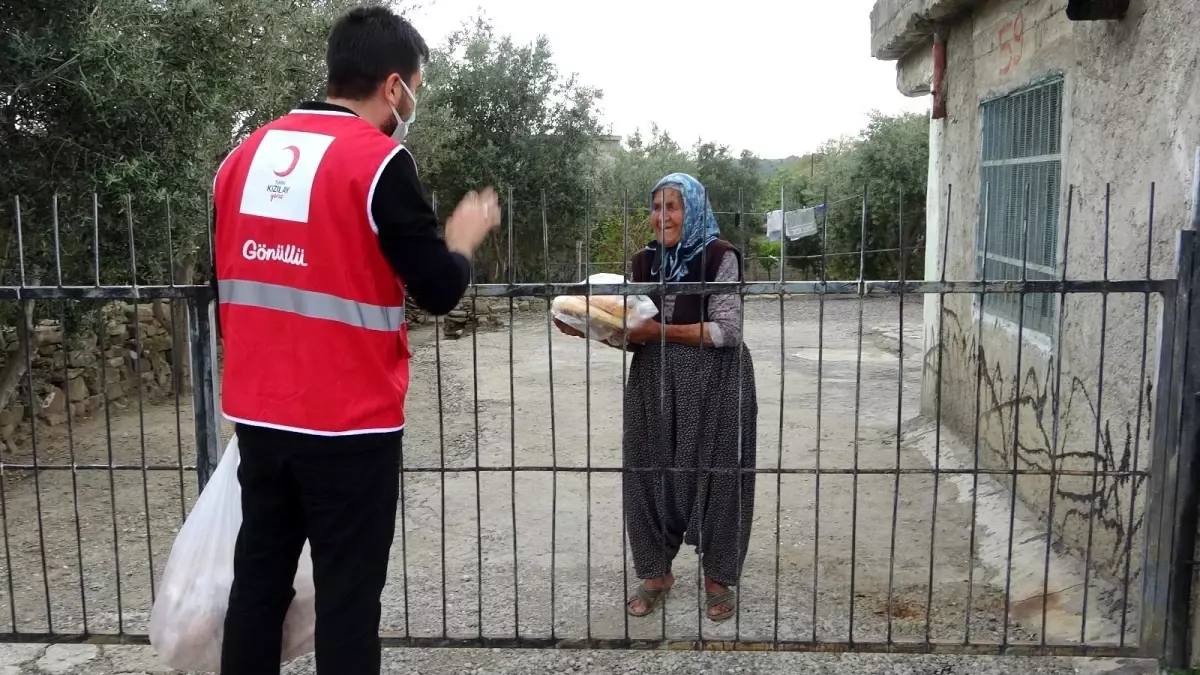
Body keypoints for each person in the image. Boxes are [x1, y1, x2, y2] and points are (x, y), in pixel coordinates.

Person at [212, 6, 499, 674]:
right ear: (394, 86)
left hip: (259, 415)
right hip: (349, 424)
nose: (414, 102)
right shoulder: (378, 161)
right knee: (346, 600)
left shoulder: (241, 158)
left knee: (258, 582)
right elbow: (437, 288)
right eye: (417, 87)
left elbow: (231, 276)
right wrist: (459, 240)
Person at [556, 172, 758, 622]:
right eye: (656, 207)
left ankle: (718, 577)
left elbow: (728, 330)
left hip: (717, 381)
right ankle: (655, 573)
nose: (662, 216)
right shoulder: (643, 262)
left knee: (719, 474)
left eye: (673, 206)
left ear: (694, 210)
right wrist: (590, 328)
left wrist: (656, 332)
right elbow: (635, 335)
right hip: (654, 381)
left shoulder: (719, 256)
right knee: (648, 474)